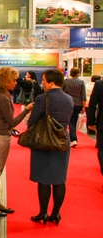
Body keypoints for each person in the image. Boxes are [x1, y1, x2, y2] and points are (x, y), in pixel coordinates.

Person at [0, 66, 34, 217]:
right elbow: (12, 122)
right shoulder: (2, 97)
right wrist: (27, 110)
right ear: (5, 81)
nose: (16, 83)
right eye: (13, 80)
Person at [28, 69, 73, 225]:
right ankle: (56, 213)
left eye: (44, 80)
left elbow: (32, 121)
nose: (43, 83)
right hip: (62, 139)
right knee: (60, 179)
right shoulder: (69, 98)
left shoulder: (42, 98)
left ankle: (43, 213)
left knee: (44, 178)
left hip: (45, 140)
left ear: (52, 82)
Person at [63, 67, 86, 147]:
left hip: (68, 103)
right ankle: (73, 138)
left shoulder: (66, 81)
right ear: (78, 73)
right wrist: (84, 106)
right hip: (78, 104)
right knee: (75, 121)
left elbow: (63, 91)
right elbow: (83, 95)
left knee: (71, 121)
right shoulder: (81, 82)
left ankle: (73, 139)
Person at [87, 78, 103, 183]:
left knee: (102, 149)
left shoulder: (100, 84)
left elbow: (92, 104)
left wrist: (91, 121)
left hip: (102, 123)